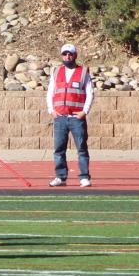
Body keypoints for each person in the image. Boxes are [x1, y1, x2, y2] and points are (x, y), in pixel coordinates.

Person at [47, 43, 94, 188]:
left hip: (76, 117)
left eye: (70, 54)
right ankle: (61, 176)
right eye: (65, 54)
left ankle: (84, 177)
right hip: (60, 116)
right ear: (61, 55)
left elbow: (90, 92)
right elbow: (50, 92)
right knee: (59, 148)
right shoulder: (56, 72)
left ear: (75, 55)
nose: (67, 56)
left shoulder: (83, 72)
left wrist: (84, 111)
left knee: (81, 147)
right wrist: (51, 110)